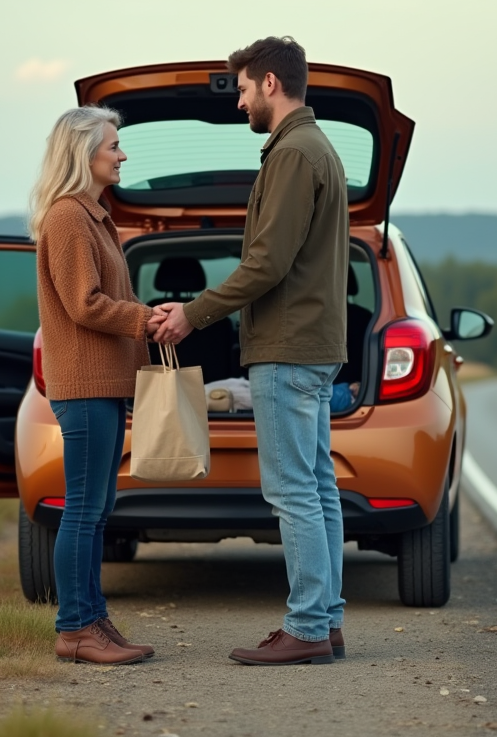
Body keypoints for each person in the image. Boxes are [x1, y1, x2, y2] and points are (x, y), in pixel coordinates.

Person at [152, 36, 350, 666]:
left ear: (269, 83)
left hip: (288, 349)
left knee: (293, 491)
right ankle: (326, 621)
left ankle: (308, 626)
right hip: (314, 347)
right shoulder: (317, 147)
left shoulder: (292, 153)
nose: (238, 102)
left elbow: (264, 264)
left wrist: (192, 312)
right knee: (317, 489)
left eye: (240, 89)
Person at [30, 105, 164, 665]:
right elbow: (83, 305)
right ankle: (74, 629)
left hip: (104, 383)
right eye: (114, 145)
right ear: (83, 152)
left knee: (99, 507)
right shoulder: (67, 217)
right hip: (83, 387)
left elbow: (107, 299)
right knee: (84, 510)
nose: (122, 153)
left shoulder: (94, 217)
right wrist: (141, 320)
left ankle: (93, 618)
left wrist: (146, 317)